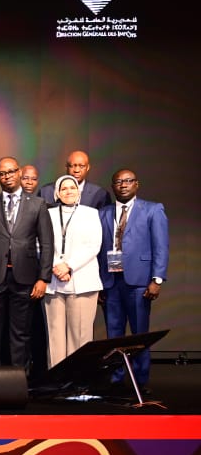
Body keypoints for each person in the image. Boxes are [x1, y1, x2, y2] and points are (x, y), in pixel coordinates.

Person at [0, 157, 54, 370]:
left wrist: (43, 278)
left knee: (21, 333)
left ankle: (19, 378)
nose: (7, 176)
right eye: (2, 173)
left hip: (25, 277)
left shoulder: (37, 204)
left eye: (10, 172)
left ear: (19, 172)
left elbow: (47, 243)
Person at [98, 169, 169, 390]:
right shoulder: (103, 213)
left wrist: (157, 280)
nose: (123, 185)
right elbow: (98, 250)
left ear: (136, 184)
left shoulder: (152, 210)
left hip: (139, 281)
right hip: (111, 281)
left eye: (128, 181)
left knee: (140, 334)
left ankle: (140, 380)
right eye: (118, 182)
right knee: (114, 335)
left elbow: (161, 247)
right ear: (113, 186)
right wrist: (98, 283)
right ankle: (116, 378)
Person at [42, 174, 103, 368]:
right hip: (54, 281)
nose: (69, 191)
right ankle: (57, 378)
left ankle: (79, 379)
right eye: (64, 188)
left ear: (79, 191)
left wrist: (68, 266)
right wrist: (57, 266)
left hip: (83, 280)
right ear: (57, 193)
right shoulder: (47, 214)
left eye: (72, 187)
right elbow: (40, 244)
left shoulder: (91, 213)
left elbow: (93, 246)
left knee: (81, 335)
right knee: (55, 335)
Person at [36, 150, 112, 209]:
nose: (76, 170)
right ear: (66, 167)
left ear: (88, 167)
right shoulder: (45, 191)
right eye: (72, 166)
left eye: (81, 166)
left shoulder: (100, 194)